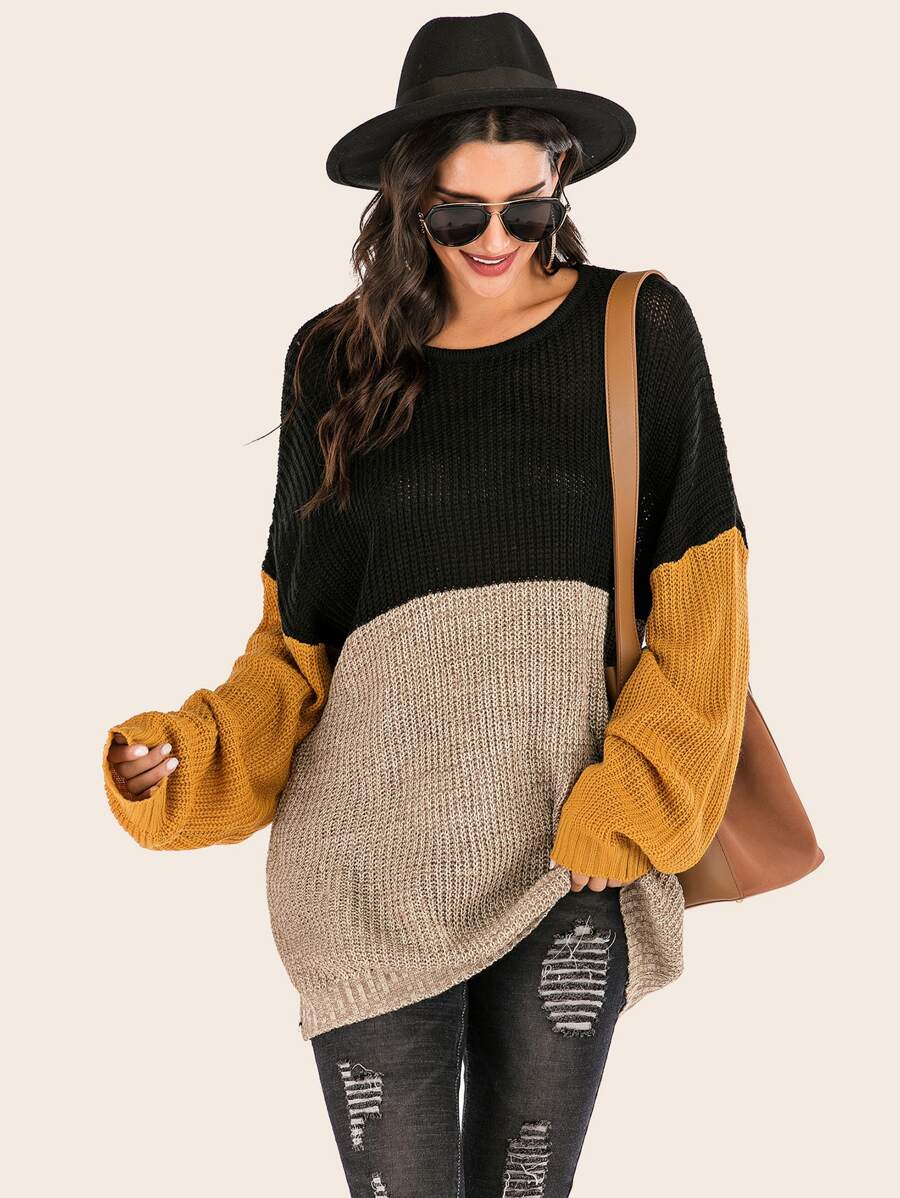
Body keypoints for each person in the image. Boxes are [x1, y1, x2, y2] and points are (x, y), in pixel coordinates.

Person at [101, 13, 750, 1197]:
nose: (495, 240)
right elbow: (296, 644)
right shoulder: (332, 362)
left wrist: (629, 804)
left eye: (527, 210)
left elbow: (702, 604)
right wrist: (190, 754)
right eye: (459, 215)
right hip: (364, 879)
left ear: (562, 182)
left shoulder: (637, 331)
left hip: (570, 861)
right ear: (407, 202)